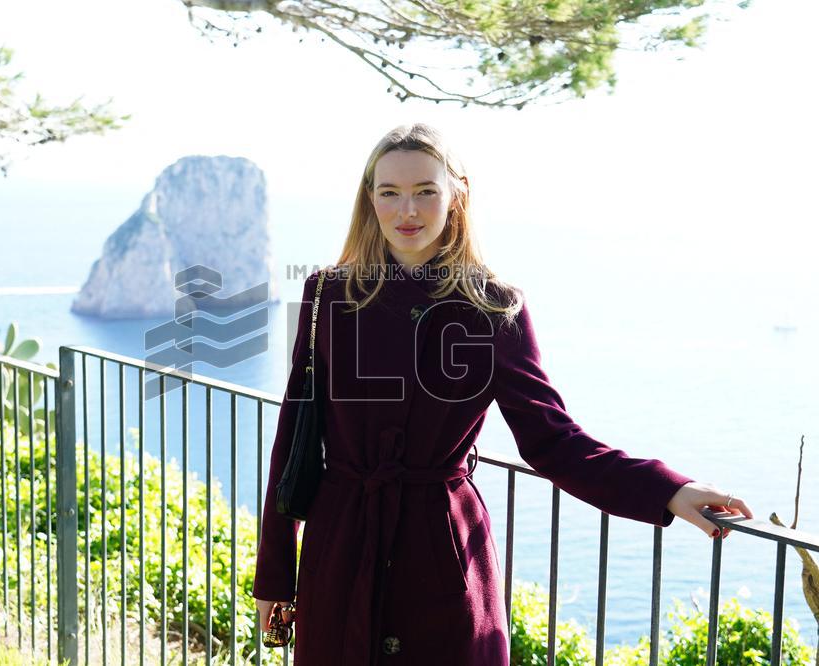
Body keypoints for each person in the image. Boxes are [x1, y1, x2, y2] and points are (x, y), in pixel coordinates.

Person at [252, 123, 753, 665]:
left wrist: (666, 489)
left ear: (456, 195)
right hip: (341, 552)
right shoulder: (327, 293)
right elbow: (292, 441)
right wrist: (274, 576)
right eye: (389, 193)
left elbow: (554, 442)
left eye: (426, 191)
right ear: (369, 199)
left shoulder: (494, 309)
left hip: (444, 560)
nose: (408, 211)